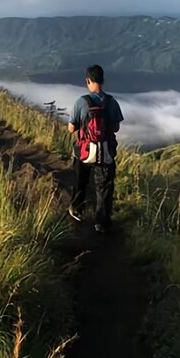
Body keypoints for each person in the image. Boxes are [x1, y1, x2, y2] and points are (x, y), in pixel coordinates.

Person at [67, 65, 124, 234]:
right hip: (105, 151)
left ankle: (77, 210)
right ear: (103, 81)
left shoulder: (81, 102)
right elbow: (116, 128)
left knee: (80, 181)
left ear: (88, 81)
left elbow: (71, 129)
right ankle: (102, 222)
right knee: (104, 186)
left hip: (84, 151)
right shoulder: (112, 102)